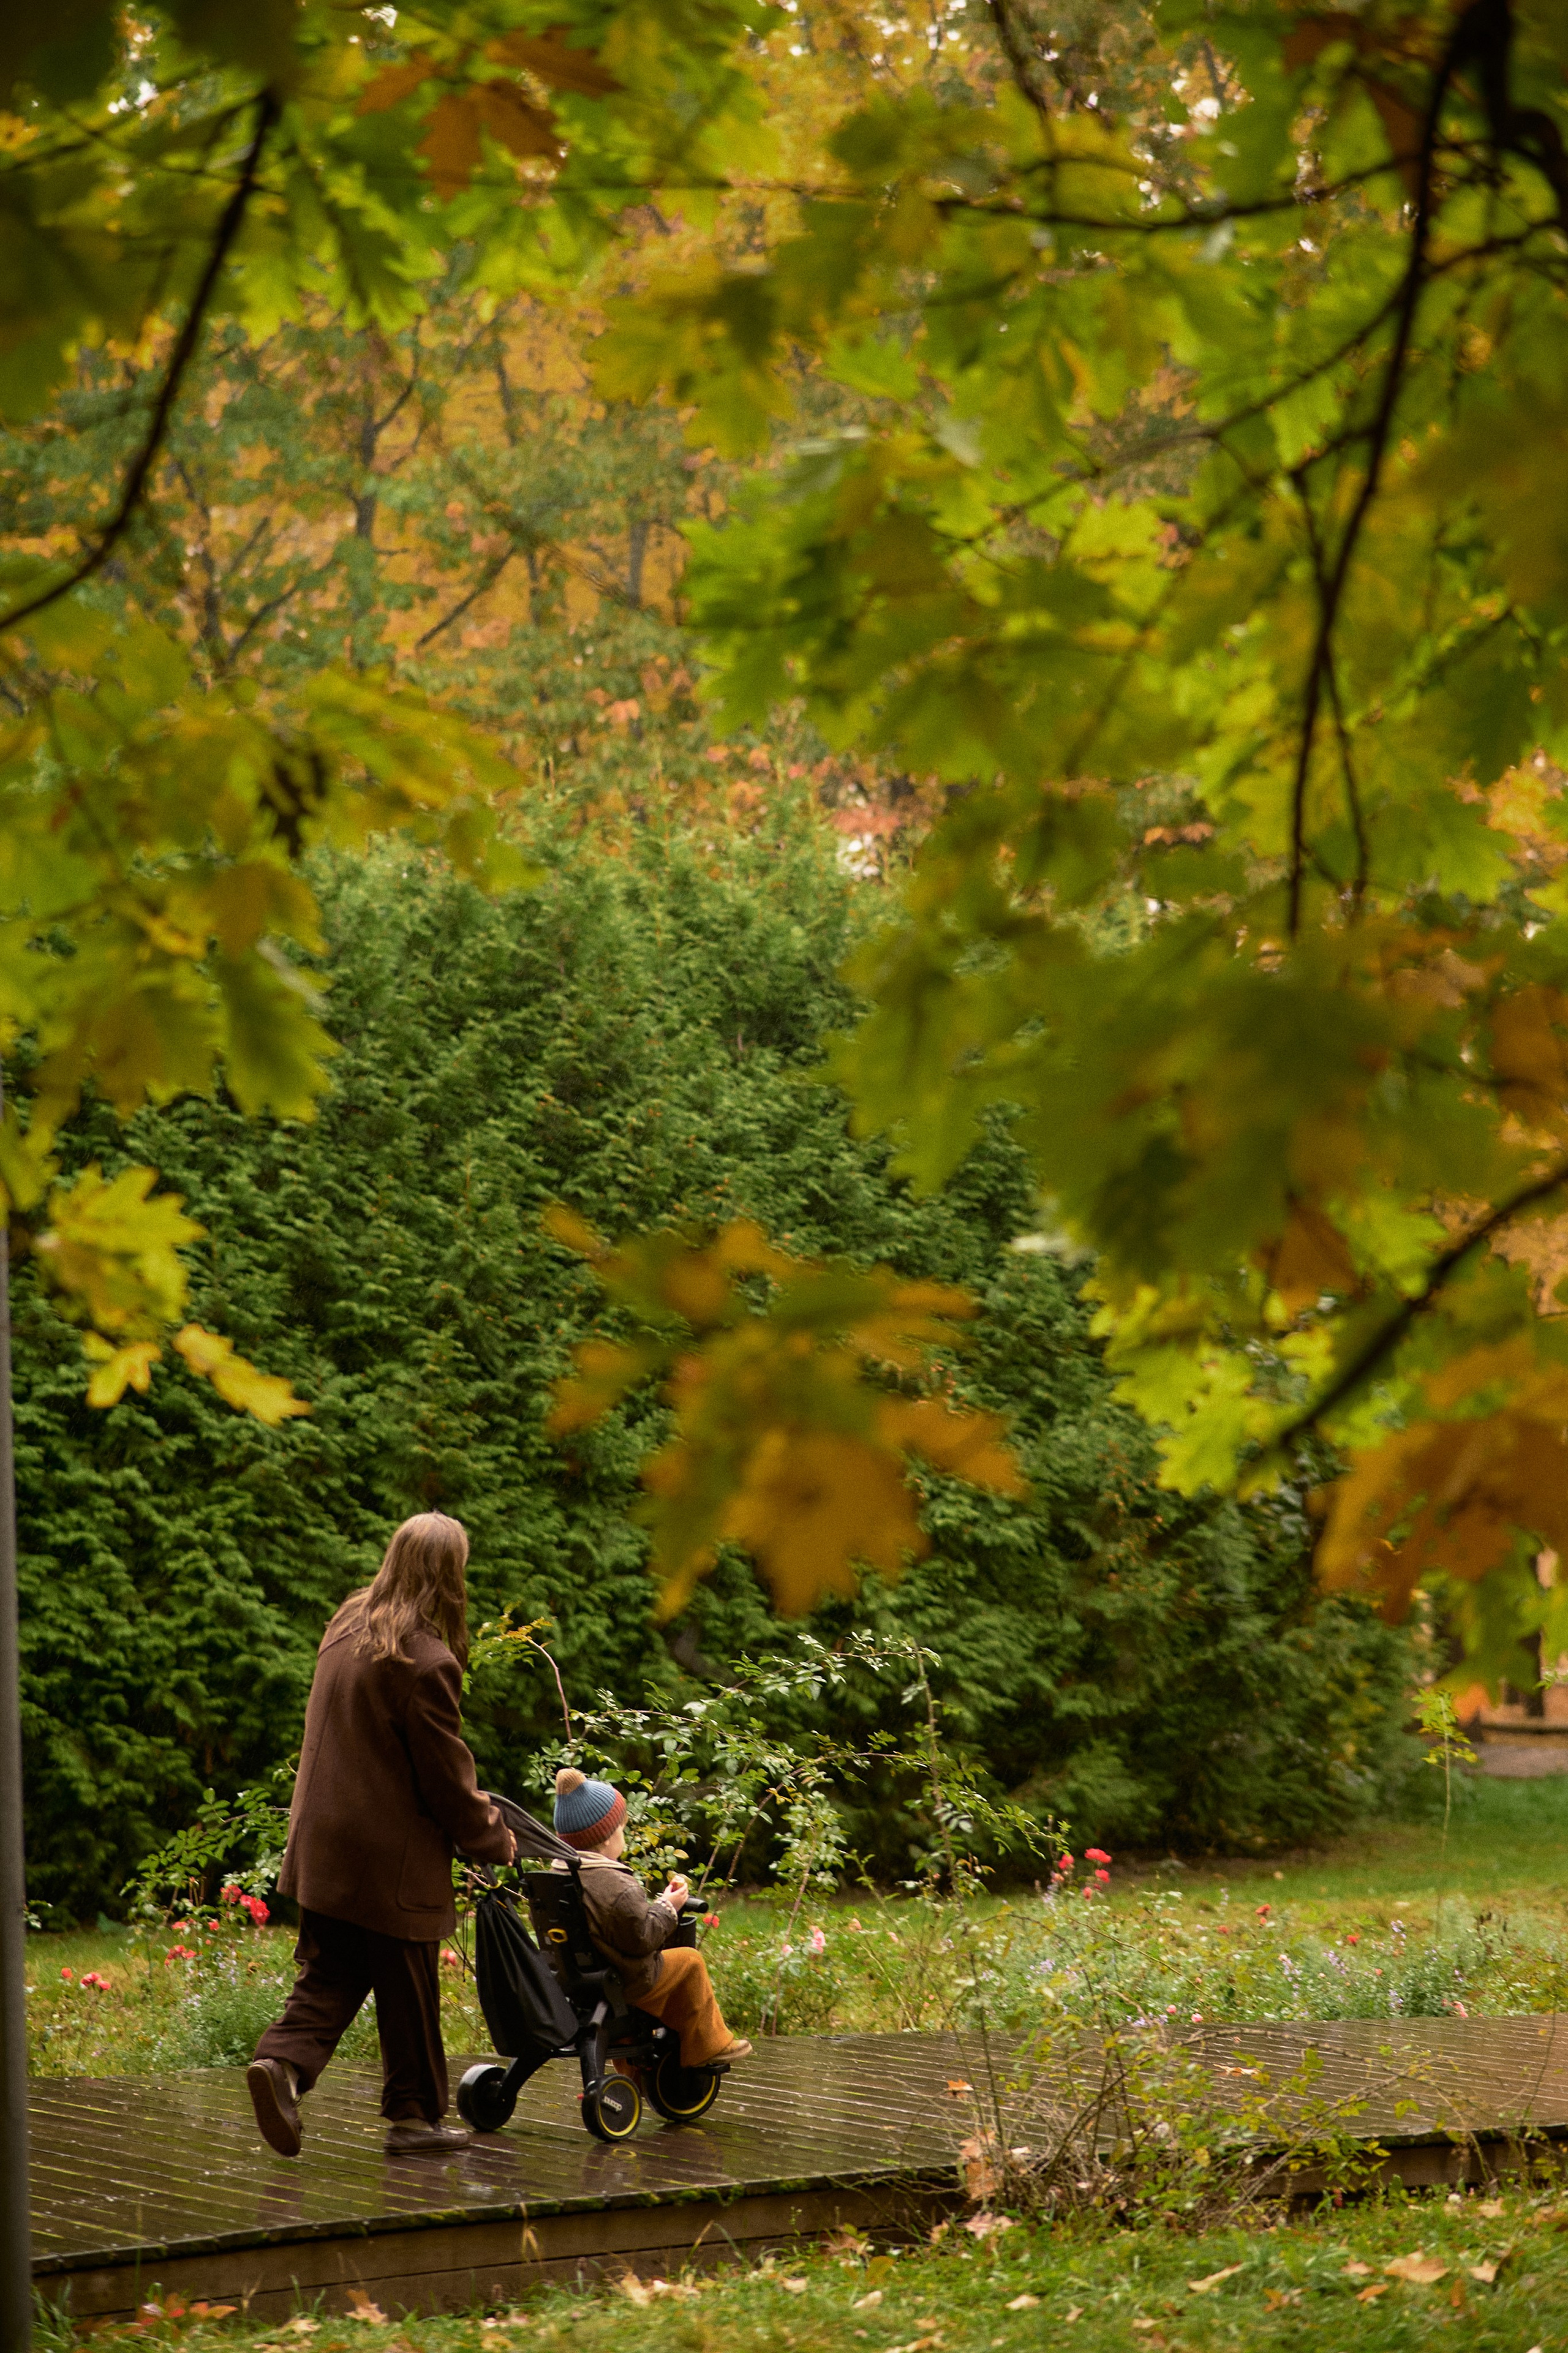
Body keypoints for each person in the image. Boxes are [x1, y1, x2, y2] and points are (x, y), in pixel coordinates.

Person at [246, 1513, 516, 2158]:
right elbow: (446, 1779)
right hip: (387, 1861)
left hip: (322, 1844)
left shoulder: (348, 1620)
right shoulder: (426, 1661)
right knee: (411, 1987)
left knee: (332, 1970)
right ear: (451, 1574)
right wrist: (495, 1838)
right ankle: (415, 2118)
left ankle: (280, 2064)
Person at [552, 1766, 752, 2069]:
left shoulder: (559, 1875)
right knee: (689, 1961)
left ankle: (635, 2073)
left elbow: (617, 1924)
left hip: (583, 1979)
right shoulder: (614, 1884)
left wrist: (659, 1903)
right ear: (605, 1838)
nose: (624, 1835)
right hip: (625, 1979)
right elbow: (641, 1938)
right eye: (621, 1829)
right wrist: (670, 1907)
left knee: (657, 1978)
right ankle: (709, 2045)